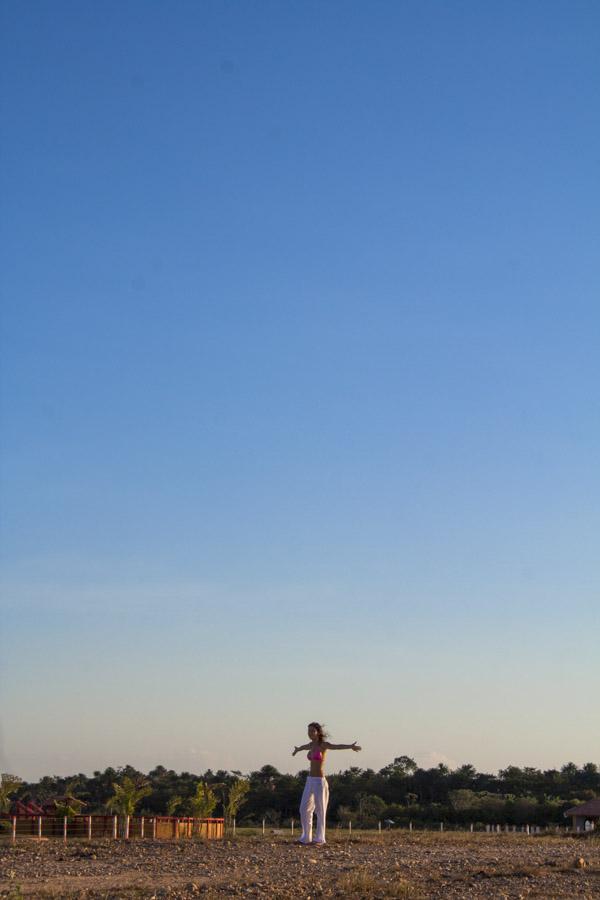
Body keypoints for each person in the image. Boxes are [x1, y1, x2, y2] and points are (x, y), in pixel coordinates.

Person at [292, 721, 361, 845]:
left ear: (318, 732)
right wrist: (297, 750)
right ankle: (306, 837)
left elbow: (337, 746)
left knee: (320, 810)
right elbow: (303, 747)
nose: (310, 733)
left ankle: (319, 838)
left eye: (312, 731)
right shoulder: (310, 745)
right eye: (308, 731)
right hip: (309, 781)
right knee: (304, 809)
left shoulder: (323, 745)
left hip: (319, 781)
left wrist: (350, 746)